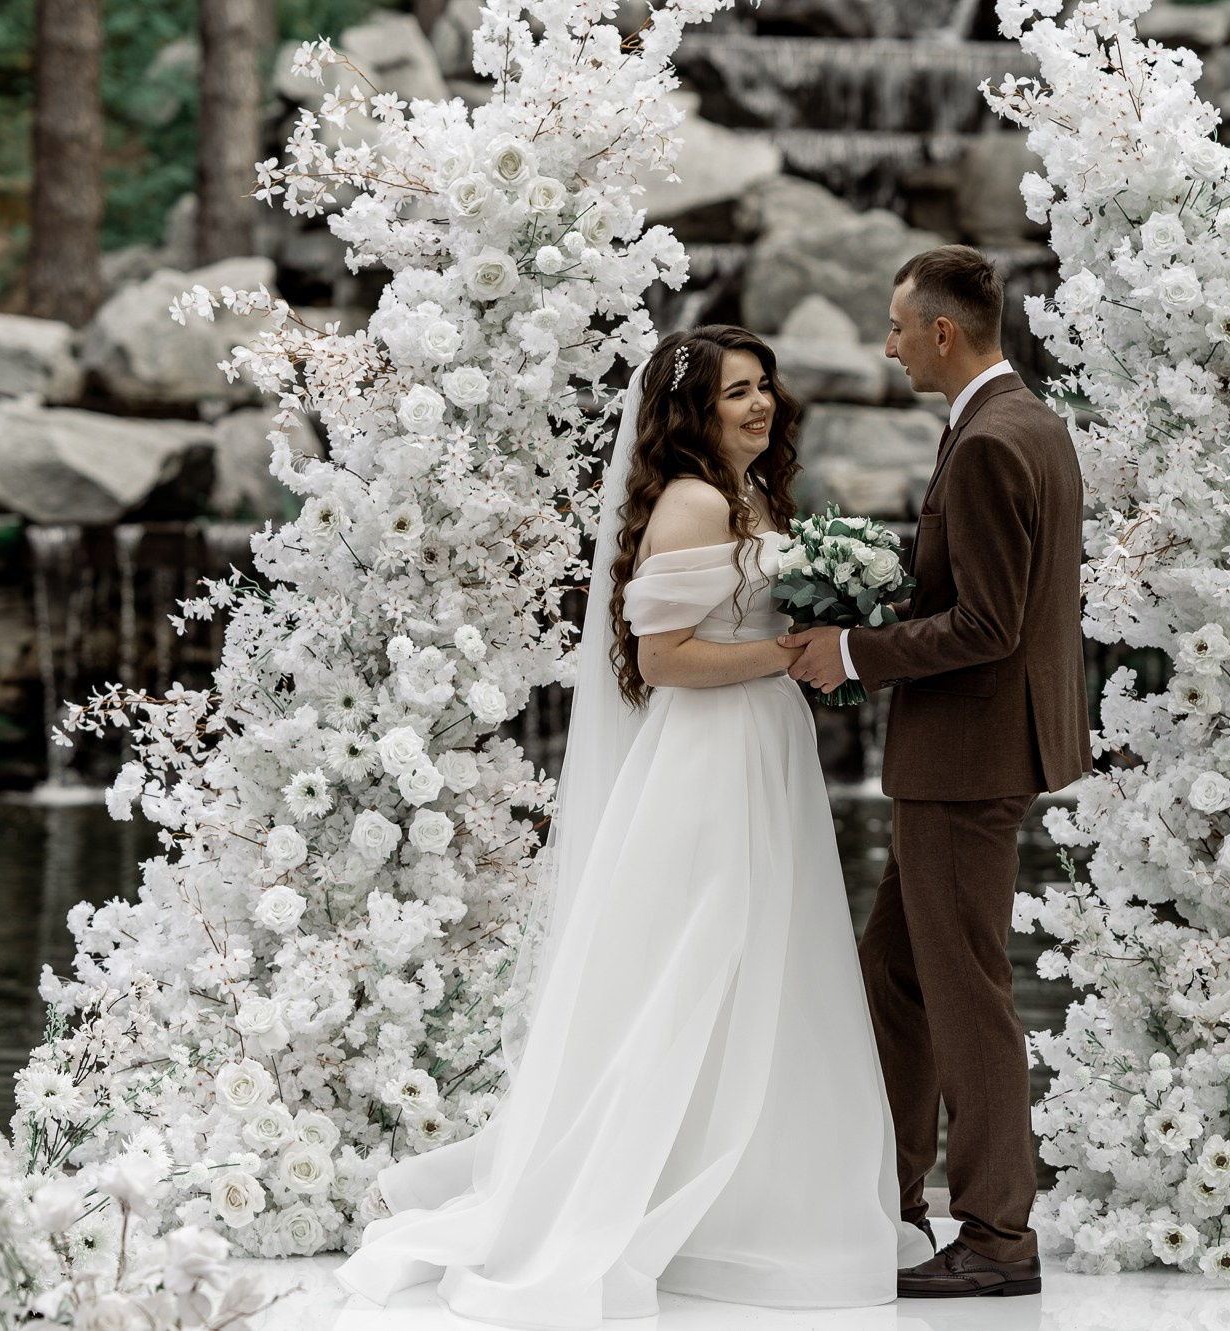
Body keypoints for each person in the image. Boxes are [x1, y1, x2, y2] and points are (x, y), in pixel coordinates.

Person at [335, 324, 929, 1329]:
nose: (758, 404)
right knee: (702, 958)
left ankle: (747, 1190)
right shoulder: (695, 500)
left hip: (761, 744)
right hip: (712, 755)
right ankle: (655, 1194)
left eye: (763, 385)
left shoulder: (750, 492)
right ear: (693, 412)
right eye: (735, 391)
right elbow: (663, 659)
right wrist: (790, 653)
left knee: (765, 959)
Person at [782, 245, 1093, 1299]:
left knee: (967, 995)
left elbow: (989, 623)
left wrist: (854, 651)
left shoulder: (996, 440)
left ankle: (997, 1235)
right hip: (966, 754)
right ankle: (891, 1198)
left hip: (968, 761)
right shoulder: (1021, 422)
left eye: (898, 326)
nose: (888, 346)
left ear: (943, 332)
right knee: (894, 973)